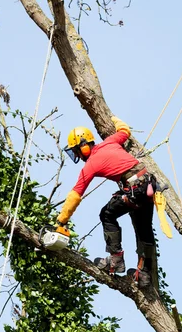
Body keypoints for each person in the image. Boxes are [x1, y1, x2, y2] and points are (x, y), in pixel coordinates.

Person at [56, 117, 156, 288]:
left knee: (107, 214)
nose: (79, 157)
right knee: (144, 230)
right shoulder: (109, 142)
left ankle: (116, 259)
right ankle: (145, 274)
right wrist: (113, 119)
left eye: (77, 152)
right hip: (148, 185)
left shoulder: (91, 165)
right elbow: (124, 131)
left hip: (135, 188)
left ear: (83, 145)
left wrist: (61, 220)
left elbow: (75, 194)